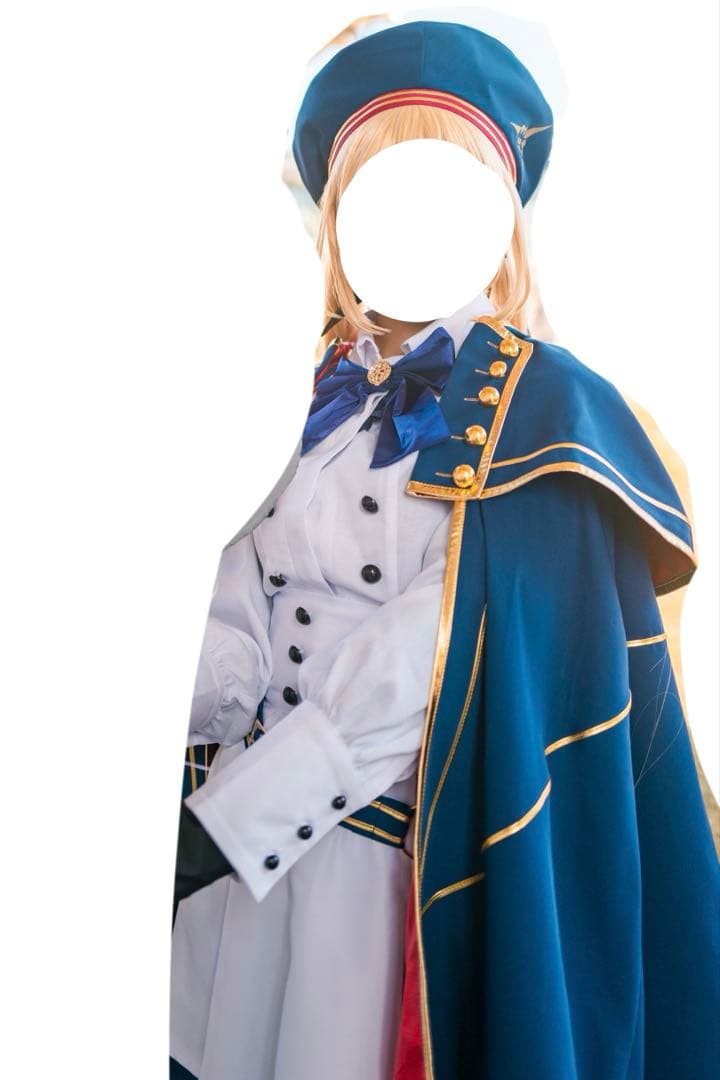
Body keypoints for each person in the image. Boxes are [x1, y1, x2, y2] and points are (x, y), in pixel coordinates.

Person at [169, 19, 720, 1080]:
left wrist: (238, 821)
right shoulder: (289, 393)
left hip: (381, 886)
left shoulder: (552, 413)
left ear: (499, 223)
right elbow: (231, 590)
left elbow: (435, 659)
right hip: (228, 874)